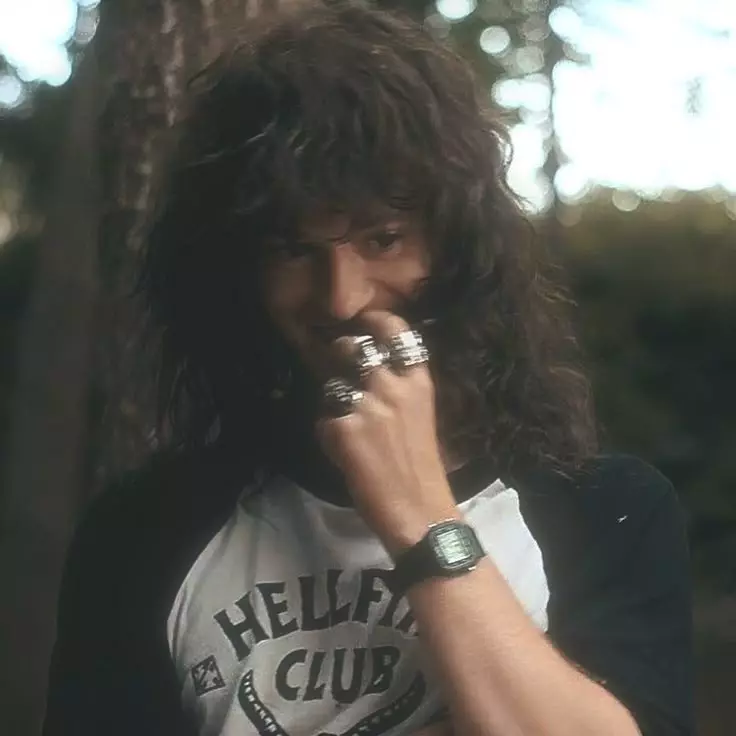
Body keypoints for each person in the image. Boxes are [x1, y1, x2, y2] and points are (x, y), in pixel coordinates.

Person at [43, 2, 694, 735]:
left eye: (383, 239)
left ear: (455, 247)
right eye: (294, 250)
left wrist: (417, 510)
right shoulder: (145, 531)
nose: (341, 298)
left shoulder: (602, 510)